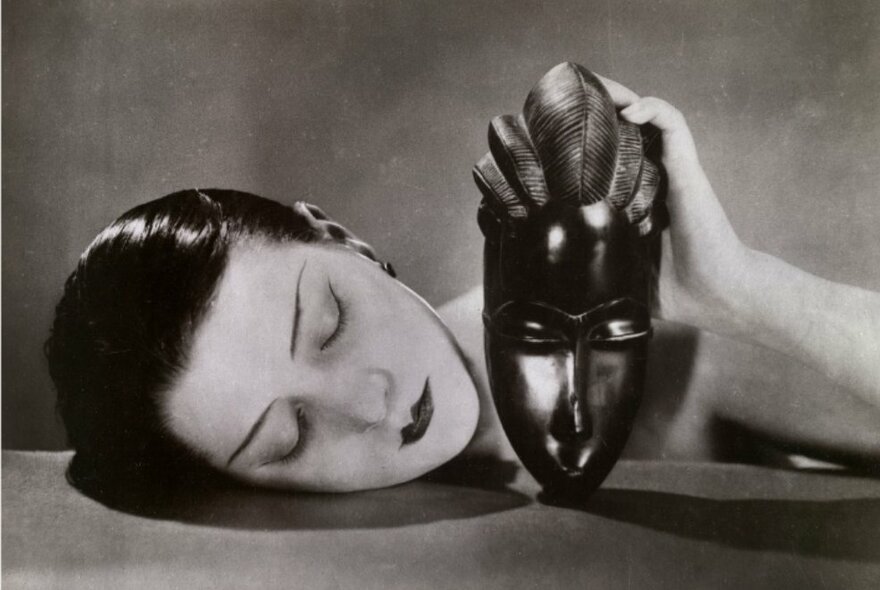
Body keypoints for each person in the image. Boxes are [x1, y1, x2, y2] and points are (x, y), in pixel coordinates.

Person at [45, 76, 880, 506]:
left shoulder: (657, 356)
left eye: (329, 322)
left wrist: (741, 292)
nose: (370, 404)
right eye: (285, 440)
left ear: (346, 240)